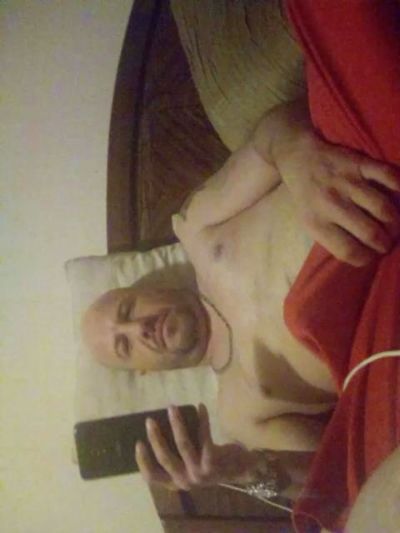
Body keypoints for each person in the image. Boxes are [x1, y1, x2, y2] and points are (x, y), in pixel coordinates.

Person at [82, 2, 400, 530]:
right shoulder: (240, 410)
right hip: (383, 319)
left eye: (128, 310)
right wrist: (239, 468)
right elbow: (338, 476)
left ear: (146, 284)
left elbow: (273, 136)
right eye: (125, 344)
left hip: (369, 172)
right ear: (145, 371)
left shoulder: (197, 226)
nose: (139, 329)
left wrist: (299, 159)